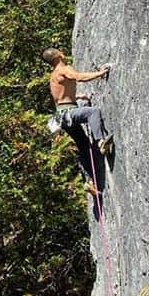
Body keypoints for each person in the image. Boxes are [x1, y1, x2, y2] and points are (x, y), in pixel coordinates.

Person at [42, 48, 113, 192]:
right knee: (92, 113)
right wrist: (100, 73)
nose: (62, 51)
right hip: (68, 114)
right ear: (58, 55)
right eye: (58, 50)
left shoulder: (54, 75)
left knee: (84, 146)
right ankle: (101, 141)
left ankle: (88, 180)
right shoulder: (63, 69)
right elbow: (78, 77)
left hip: (63, 115)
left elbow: (60, 96)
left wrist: (78, 97)